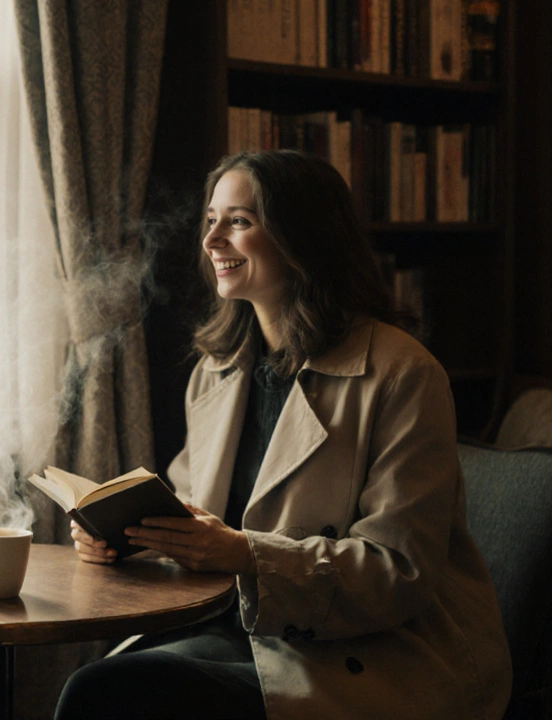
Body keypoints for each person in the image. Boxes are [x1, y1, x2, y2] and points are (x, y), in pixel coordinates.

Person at [55, 150, 512, 719]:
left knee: (115, 695)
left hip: (374, 656)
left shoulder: (403, 374)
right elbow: (193, 517)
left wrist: (244, 553)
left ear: (306, 238)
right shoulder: (216, 372)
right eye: (211, 219)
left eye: (240, 221)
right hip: (244, 632)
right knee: (96, 687)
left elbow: (398, 571)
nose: (212, 239)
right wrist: (127, 536)